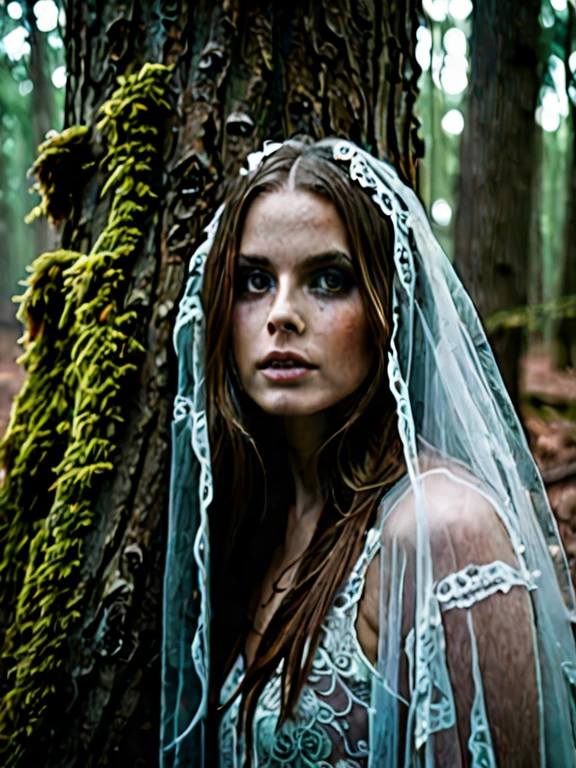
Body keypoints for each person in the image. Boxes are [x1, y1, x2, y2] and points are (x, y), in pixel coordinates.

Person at [161, 138, 576, 768]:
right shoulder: (258, 517)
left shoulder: (440, 529)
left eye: (328, 280)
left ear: (385, 306)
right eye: (253, 280)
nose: (281, 315)